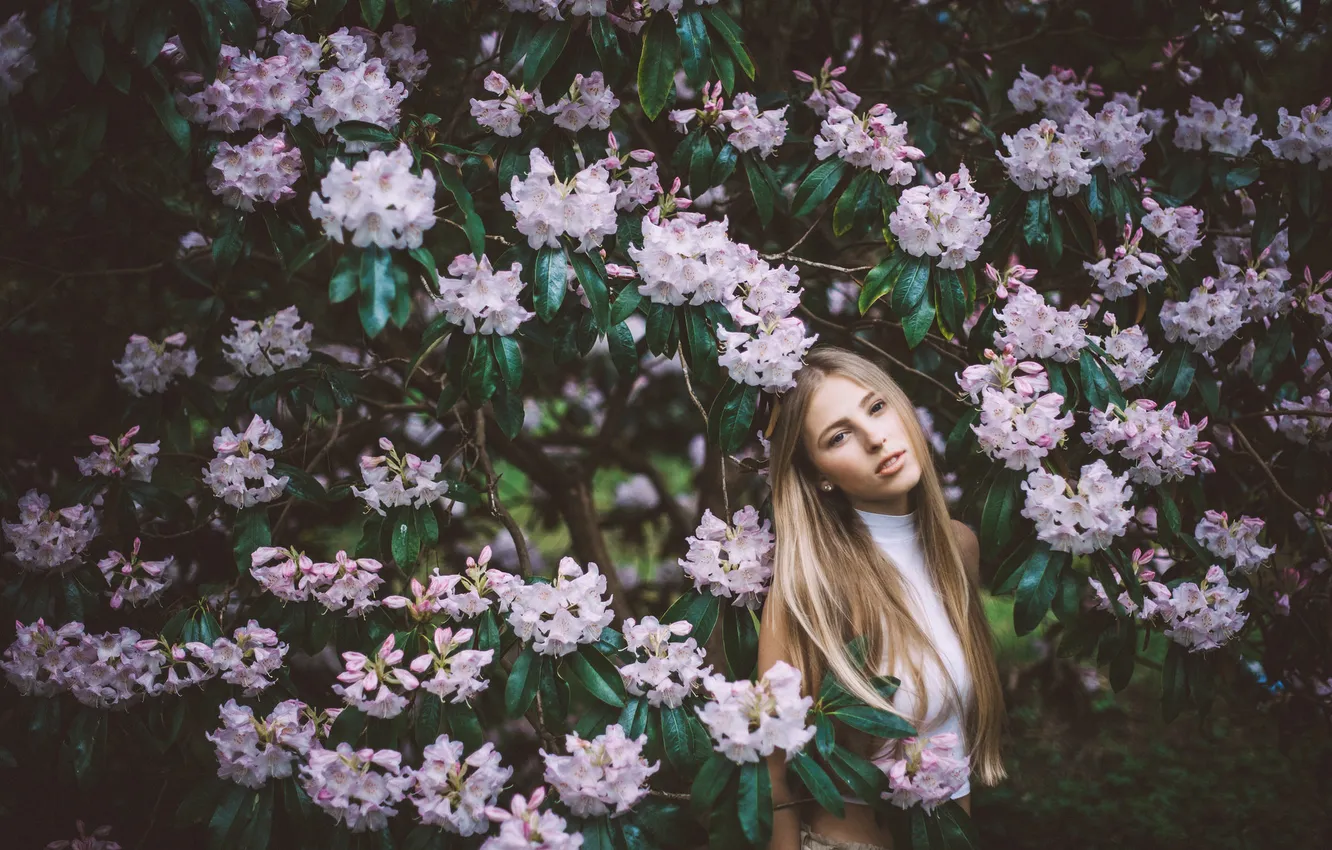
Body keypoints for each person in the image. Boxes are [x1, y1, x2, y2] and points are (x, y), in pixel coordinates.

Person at [757, 344, 1006, 850]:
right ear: (820, 475)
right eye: (839, 436)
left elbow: (955, 732)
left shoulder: (958, 548)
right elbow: (773, 771)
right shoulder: (809, 589)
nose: (875, 438)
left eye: (876, 407)